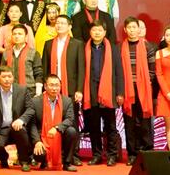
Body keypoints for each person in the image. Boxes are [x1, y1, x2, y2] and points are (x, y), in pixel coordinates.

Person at [78, 22, 123, 166]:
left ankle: (111, 155)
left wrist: (120, 92)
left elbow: (119, 71)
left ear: (104, 32)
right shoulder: (84, 48)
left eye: (100, 30)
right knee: (94, 126)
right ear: (90, 32)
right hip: (90, 92)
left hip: (109, 91)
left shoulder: (113, 48)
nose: (97, 33)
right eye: (94, 30)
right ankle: (96, 155)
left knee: (110, 126)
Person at [121, 17, 158, 164]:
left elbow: (152, 70)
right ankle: (132, 154)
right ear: (125, 30)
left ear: (139, 29)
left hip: (143, 89)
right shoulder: (120, 47)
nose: (132, 30)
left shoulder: (148, 47)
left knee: (144, 121)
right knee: (129, 122)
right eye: (129, 28)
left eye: (134, 27)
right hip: (127, 89)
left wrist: (144, 84)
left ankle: (147, 151)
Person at [25, 75, 78, 172]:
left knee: (71, 131)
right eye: (51, 85)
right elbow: (32, 124)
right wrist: (37, 141)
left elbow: (70, 119)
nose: (54, 88)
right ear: (45, 86)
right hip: (42, 137)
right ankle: (44, 161)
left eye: (57, 85)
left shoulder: (66, 101)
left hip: (59, 135)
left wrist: (57, 128)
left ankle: (67, 163)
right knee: (40, 155)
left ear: (60, 86)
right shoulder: (36, 101)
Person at [0, 66, 30, 172]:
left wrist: (21, 120)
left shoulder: (22, 90)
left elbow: (30, 109)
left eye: (9, 76)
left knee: (21, 130)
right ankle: (4, 159)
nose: (7, 79)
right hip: (1, 130)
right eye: (4, 76)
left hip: (16, 127)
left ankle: (24, 161)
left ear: (13, 77)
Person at [41, 15, 82, 111]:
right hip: (52, 86)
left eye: (62, 23)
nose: (59, 25)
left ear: (69, 27)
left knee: (71, 116)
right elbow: (44, 67)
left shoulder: (77, 44)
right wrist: (44, 86)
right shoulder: (48, 44)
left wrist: (79, 90)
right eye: (57, 23)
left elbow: (81, 69)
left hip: (71, 88)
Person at [3, 24, 42, 92]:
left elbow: (38, 73)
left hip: (29, 90)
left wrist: (38, 90)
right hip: (9, 90)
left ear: (26, 37)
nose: (17, 36)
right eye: (14, 34)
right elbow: (2, 72)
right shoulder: (6, 53)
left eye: (20, 34)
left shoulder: (34, 53)